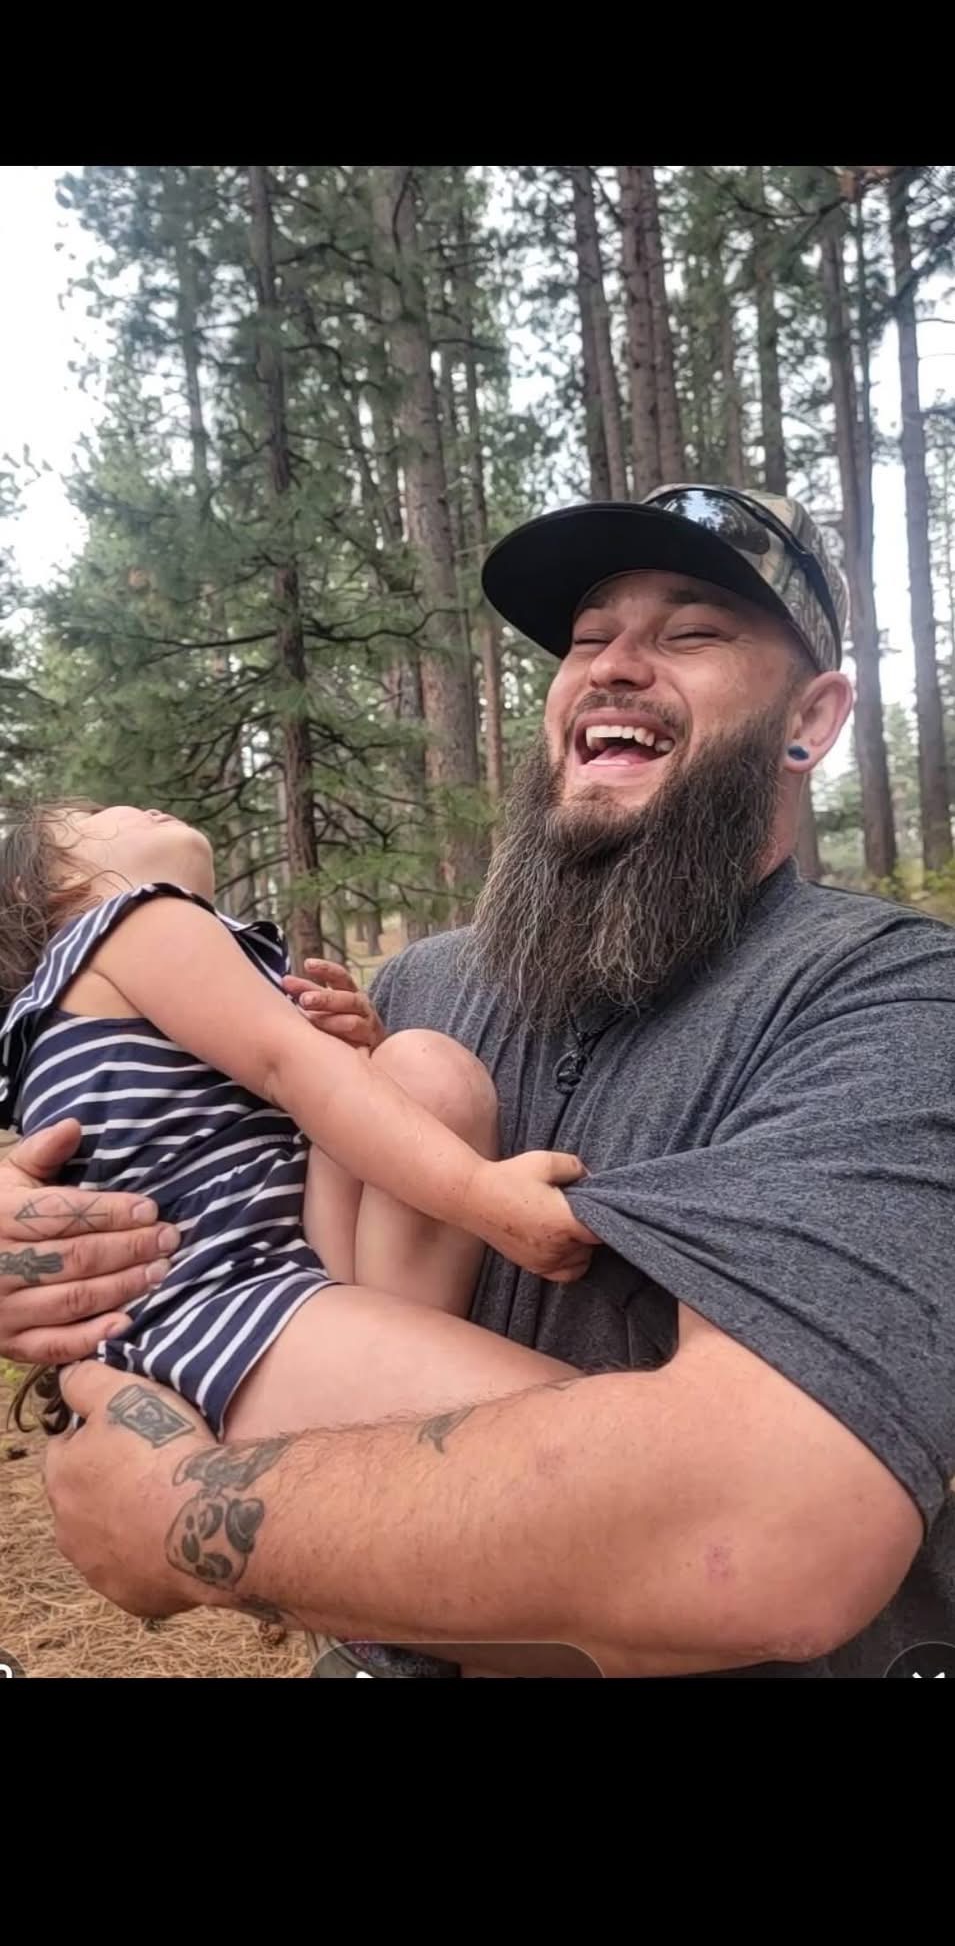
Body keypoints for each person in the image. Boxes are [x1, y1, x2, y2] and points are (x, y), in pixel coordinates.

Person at [8, 482, 955, 1678]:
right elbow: (210, 1177)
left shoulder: (890, 1001)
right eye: (587, 638)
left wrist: (186, 1509)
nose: (613, 665)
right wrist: (42, 1223)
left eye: (691, 630)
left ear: (807, 719)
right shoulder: (418, 988)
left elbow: (765, 1531)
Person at [0, 801, 598, 1445]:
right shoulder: (130, 921)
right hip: (218, 1306)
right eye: (92, 811)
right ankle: (396, 1415)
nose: (143, 804)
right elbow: (285, 1063)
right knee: (594, 1437)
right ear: (47, 887)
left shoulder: (58, 1018)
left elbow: (283, 1101)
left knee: (423, 1071)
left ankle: (389, 1412)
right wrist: (485, 1194)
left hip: (269, 1274)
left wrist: (358, 1057)